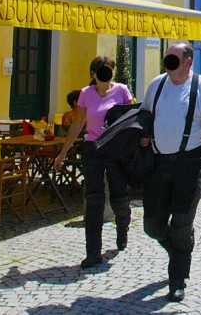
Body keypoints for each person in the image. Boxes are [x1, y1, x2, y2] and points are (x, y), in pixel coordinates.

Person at [138, 42, 201, 303]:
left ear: (188, 61)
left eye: (173, 58)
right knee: (152, 226)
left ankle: (177, 278)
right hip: (157, 163)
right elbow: (144, 116)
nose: (168, 63)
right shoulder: (156, 84)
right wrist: (142, 136)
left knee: (181, 222)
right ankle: (180, 248)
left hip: (189, 163)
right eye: (167, 58)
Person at [53, 56, 134, 269]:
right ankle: (93, 252)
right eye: (101, 71)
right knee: (94, 199)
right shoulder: (85, 94)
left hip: (115, 149)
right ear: (93, 74)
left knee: (118, 196)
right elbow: (77, 125)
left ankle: (123, 224)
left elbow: (133, 120)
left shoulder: (122, 92)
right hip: (93, 149)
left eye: (108, 71)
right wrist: (62, 154)